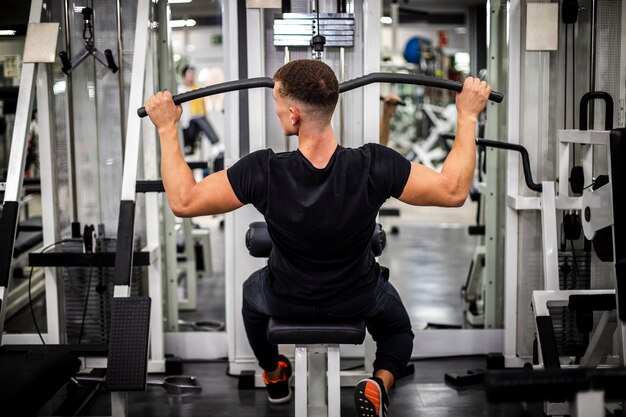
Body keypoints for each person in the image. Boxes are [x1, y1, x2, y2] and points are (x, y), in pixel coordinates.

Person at [144, 59, 491, 417]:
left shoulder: (263, 170)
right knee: (398, 330)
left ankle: (274, 373)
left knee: (252, 298)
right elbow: (453, 191)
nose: (277, 111)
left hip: (285, 298)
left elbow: (183, 201)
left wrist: (168, 128)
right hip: (356, 298)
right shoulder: (374, 164)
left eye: (278, 104)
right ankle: (379, 382)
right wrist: (466, 116)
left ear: (293, 116)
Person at [178, 65, 220, 155]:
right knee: (197, 119)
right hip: (186, 123)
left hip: (197, 120)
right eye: (189, 74)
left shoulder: (197, 88)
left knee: (199, 118)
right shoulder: (180, 90)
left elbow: (202, 106)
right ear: (184, 76)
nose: (191, 76)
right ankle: (216, 143)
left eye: (193, 74)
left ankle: (216, 144)